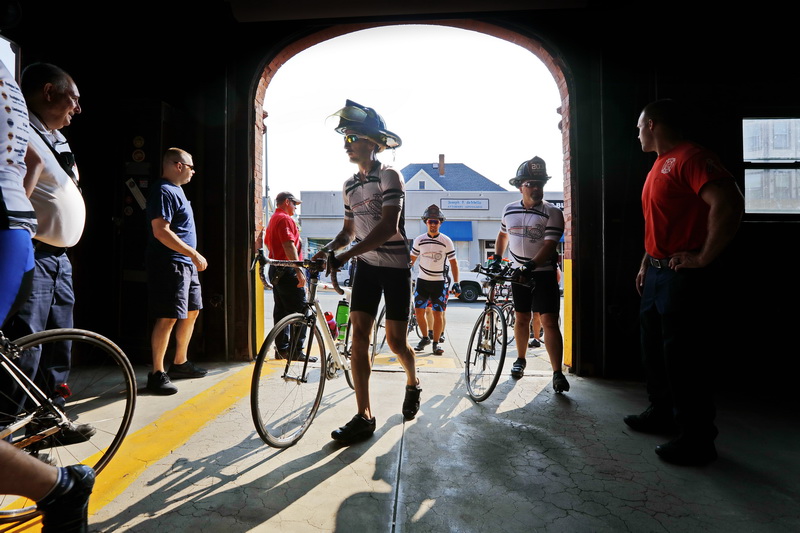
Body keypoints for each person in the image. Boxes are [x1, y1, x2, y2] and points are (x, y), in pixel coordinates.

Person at [0, 55, 94, 533]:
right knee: (24, 344)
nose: (78, 108)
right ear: (50, 93)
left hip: (58, 258)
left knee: (59, 341)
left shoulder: (58, 138)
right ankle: (8, 443)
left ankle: (44, 426)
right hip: (33, 250)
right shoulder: (19, 124)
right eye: (73, 99)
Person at [626, 99, 743, 466]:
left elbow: (728, 202)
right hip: (657, 272)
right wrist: (647, 262)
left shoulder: (691, 157)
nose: (637, 132)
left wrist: (704, 257)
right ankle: (661, 414)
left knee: (685, 359)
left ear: (654, 124)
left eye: (640, 125)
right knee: (655, 353)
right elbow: (658, 222)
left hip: (682, 275)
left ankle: (697, 439)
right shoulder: (657, 165)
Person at [315, 99, 420, 445]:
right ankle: (364, 416)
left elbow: (389, 226)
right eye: (345, 138)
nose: (348, 143)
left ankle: (413, 380)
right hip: (366, 268)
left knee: (396, 342)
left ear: (373, 144)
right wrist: (327, 251)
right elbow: (348, 232)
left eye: (354, 137)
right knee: (358, 336)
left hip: (394, 268)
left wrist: (347, 254)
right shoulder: (349, 186)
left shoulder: (390, 175)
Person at [493, 155, 569, 393]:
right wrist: (497, 258)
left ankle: (557, 373)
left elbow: (549, 246)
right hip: (519, 273)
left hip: (543, 273)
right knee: (521, 318)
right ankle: (520, 360)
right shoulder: (508, 209)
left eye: (540, 184)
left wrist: (530, 266)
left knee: (548, 321)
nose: (537, 188)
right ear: (520, 186)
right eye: (531, 184)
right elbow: (503, 235)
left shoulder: (553, 213)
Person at [145, 147, 208, 395]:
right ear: (178, 165)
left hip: (185, 264)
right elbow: (160, 230)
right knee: (168, 316)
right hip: (170, 262)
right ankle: (157, 373)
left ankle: (180, 362)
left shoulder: (177, 191)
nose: (194, 172)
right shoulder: (163, 190)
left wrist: (190, 258)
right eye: (191, 167)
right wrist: (193, 253)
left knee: (192, 312)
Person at [264, 191, 315, 362]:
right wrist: (300, 271)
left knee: (281, 311)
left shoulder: (273, 219)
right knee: (301, 311)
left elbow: (267, 243)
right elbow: (288, 245)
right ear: (287, 202)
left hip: (276, 269)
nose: (295, 208)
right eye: (294, 204)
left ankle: (282, 350)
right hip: (288, 270)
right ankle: (295, 351)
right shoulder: (285, 219)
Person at [410, 204, 460, 355]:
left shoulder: (446, 241)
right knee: (419, 312)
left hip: (439, 282)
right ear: (426, 222)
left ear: (440, 223)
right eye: (430, 221)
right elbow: (411, 259)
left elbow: (453, 262)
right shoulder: (419, 240)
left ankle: (436, 343)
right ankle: (425, 337)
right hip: (422, 281)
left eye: (436, 221)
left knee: (438, 313)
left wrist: (457, 283)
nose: (433, 224)